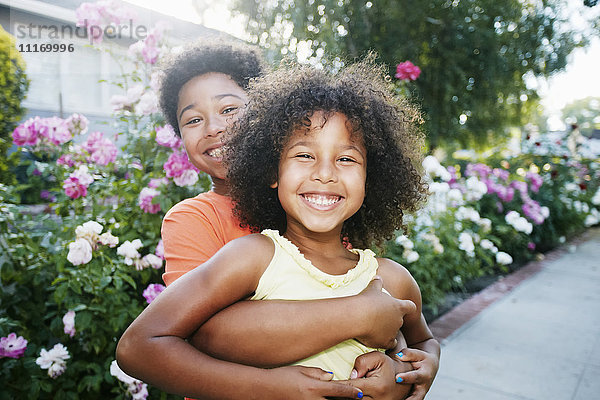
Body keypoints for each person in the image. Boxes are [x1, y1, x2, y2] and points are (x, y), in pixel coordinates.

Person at [117, 58, 440, 399]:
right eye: (304, 155)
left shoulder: (388, 275)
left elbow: (419, 341)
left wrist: (412, 371)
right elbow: (192, 334)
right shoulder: (251, 252)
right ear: (272, 168)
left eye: (346, 159)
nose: (325, 173)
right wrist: (357, 317)